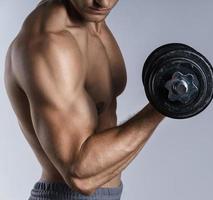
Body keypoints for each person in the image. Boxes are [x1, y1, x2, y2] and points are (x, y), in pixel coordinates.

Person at [4, 0, 164, 199]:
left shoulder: (93, 20)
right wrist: (161, 106)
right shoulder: (47, 43)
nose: (103, 2)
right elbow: (80, 175)